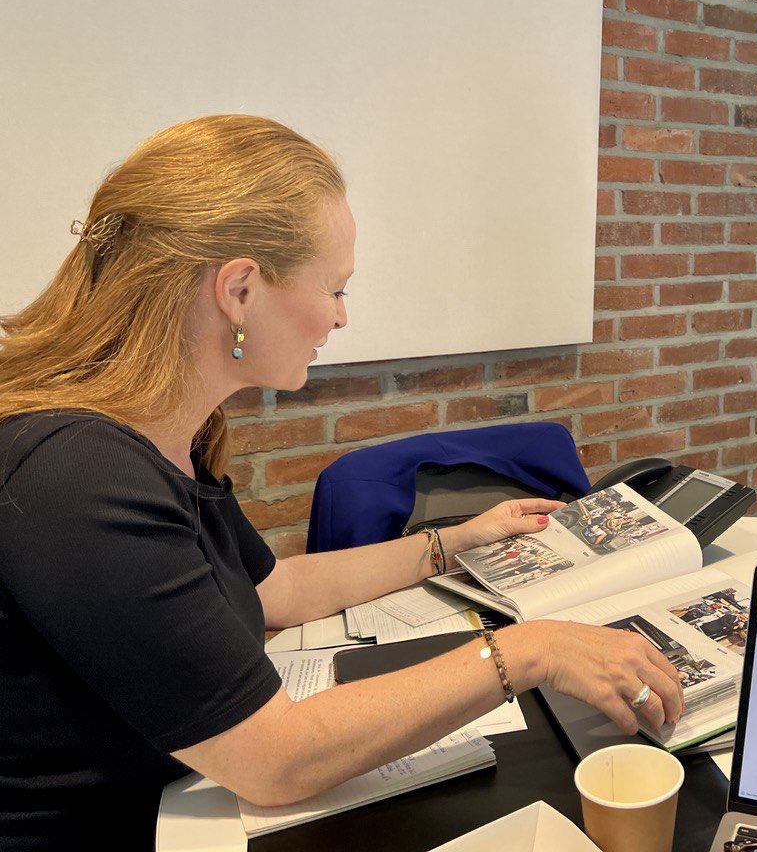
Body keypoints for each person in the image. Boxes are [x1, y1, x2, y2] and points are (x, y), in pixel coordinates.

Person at [0, 115, 683, 850]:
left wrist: (451, 545)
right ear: (238, 289)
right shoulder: (78, 478)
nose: (341, 315)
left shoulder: (161, 438)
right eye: (334, 288)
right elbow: (275, 758)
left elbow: (275, 592)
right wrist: (531, 651)